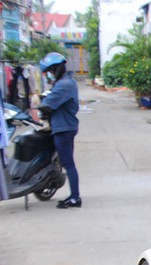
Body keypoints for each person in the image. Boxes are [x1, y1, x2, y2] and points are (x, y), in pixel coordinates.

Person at [39, 52, 81, 209]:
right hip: (65, 126)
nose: (49, 76)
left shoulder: (63, 85)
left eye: (50, 72)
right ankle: (73, 195)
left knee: (68, 163)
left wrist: (38, 103)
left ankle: (75, 198)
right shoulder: (67, 82)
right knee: (67, 162)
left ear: (55, 69)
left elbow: (48, 104)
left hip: (63, 128)